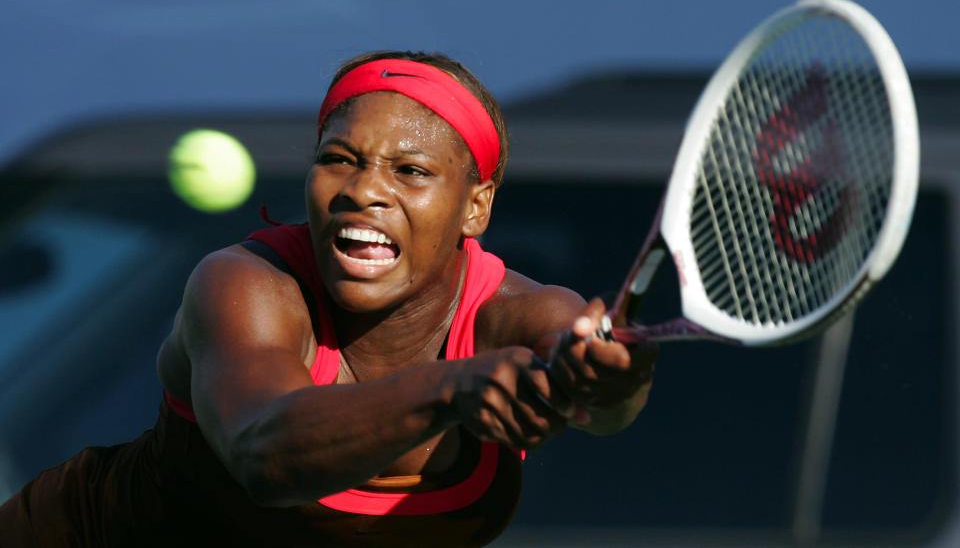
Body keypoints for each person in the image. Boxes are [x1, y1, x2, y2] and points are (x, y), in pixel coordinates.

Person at [0, 50, 658, 547]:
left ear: (475, 206)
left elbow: (607, 409)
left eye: (410, 170)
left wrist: (610, 383)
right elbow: (266, 452)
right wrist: (452, 389)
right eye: (339, 158)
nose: (362, 190)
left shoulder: (525, 318)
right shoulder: (245, 284)